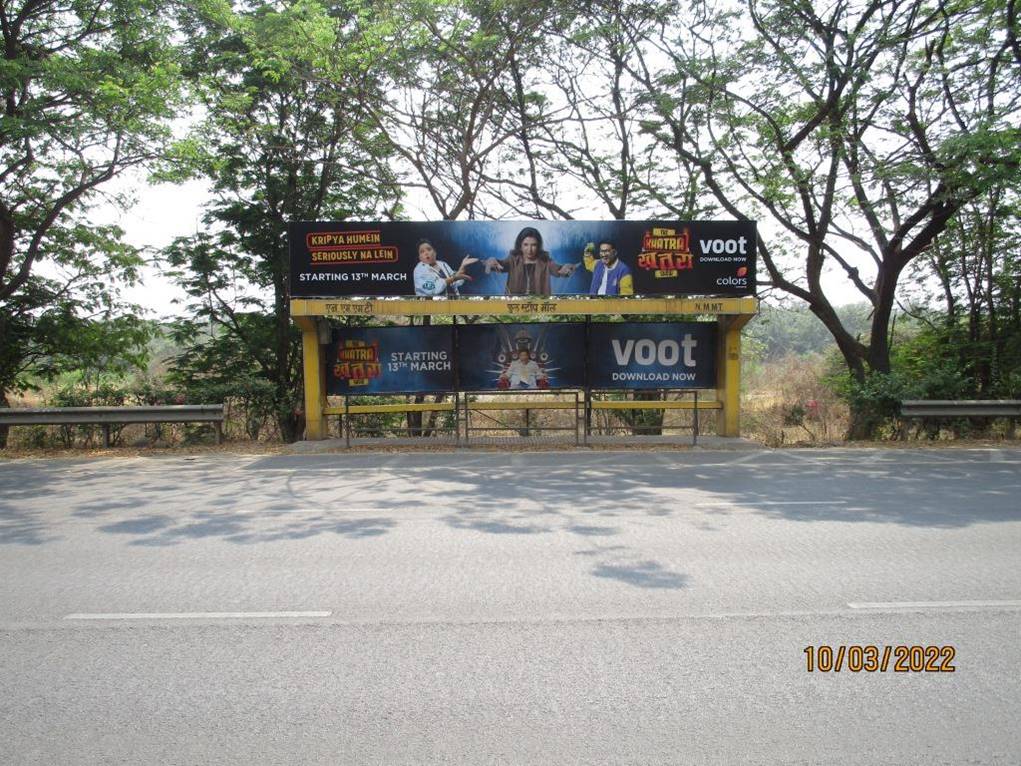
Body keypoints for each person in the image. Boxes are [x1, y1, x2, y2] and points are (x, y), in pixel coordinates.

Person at [483, 227, 579, 295]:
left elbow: (557, 268)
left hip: (539, 306)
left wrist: (564, 269)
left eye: (534, 245)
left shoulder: (545, 261)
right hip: (515, 306)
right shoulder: (513, 259)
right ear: (520, 245)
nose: (529, 250)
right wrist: (490, 262)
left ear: (538, 246)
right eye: (526, 244)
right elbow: (500, 264)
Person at [413, 239, 478, 296]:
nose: (426, 253)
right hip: (431, 307)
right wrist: (453, 278)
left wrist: (463, 266)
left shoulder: (443, 264)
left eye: (429, 249)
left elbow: (455, 281)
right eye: (422, 252)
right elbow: (432, 289)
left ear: (435, 252)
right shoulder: (419, 270)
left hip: (453, 304)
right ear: (420, 258)